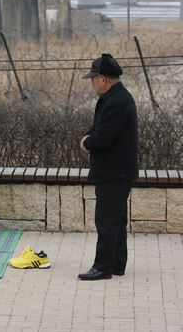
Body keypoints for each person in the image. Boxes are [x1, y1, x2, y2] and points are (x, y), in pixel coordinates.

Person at [78, 54, 138, 281]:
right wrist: (90, 137)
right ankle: (116, 264)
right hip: (117, 171)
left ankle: (103, 267)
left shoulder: (117, 101)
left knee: (107, 220)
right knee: (116, 220)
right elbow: (97, 128)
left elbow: (102, 138)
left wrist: (86, 143)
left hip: (114, 172)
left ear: (102, 79)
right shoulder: (115, 98)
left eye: (93, 78)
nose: (92, 82)